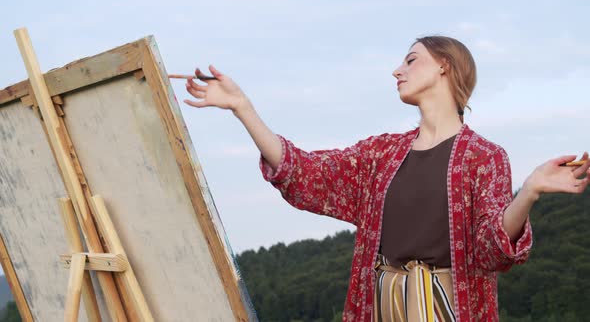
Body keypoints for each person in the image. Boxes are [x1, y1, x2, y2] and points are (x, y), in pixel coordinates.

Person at [182, 36, 590, 321]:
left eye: (411, 60)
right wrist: (243, 108)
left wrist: (531, 190)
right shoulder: (382, 154)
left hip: (448, 309)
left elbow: (492, 251)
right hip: (378, 305)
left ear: (445, 65)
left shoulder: (484, 158)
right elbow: (305, 173)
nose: (397, 70)